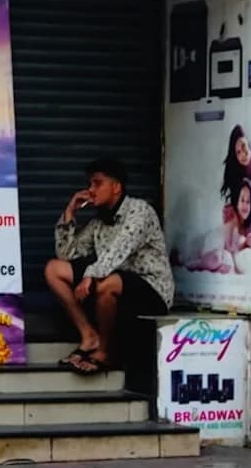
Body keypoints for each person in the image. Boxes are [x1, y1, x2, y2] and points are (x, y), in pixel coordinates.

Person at [44, 158, 174, 374]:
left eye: (97, 184)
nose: (90, 190)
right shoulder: (99, 223)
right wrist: (69, 214)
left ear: (116, 187)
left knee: (108, 283)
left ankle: (105, 352)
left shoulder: (140, 211)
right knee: (54, 270)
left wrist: (90, 275)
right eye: (89, 184)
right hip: (113, 283)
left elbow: (120, 249)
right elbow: (67, 254)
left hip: (152, 290)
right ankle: (89, 337)